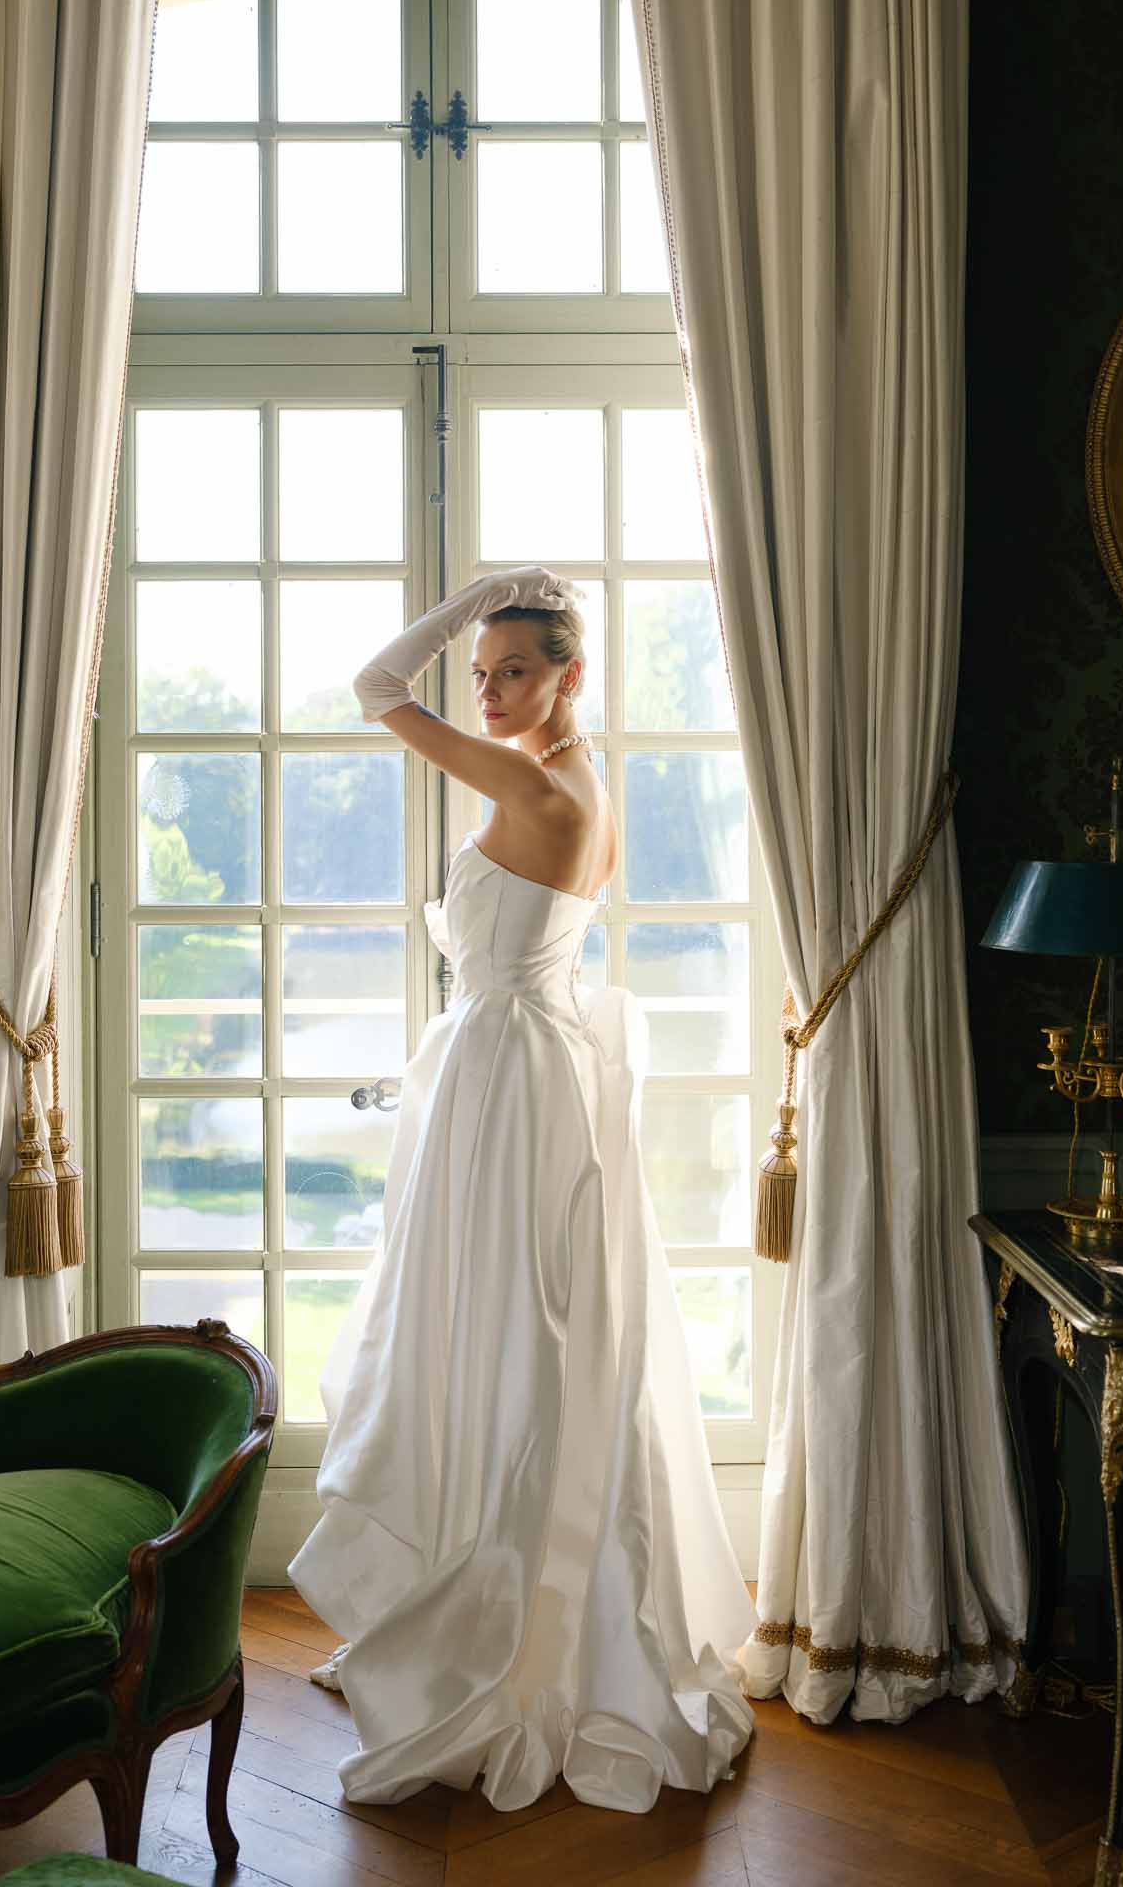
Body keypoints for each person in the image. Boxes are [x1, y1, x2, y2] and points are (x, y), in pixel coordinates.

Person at [286, 564, 758, 1815]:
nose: (489, 693)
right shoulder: (586, 785)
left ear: (570, 674)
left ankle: (495, 1637)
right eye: (483, 672)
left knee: (497, 1336)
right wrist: (496, 611)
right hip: (519, 1071)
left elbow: (375, 687)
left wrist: (462, 603)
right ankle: (469, 1603)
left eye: (515, 669)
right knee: (506, 1336)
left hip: (505, 1085)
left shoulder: (535, 783)